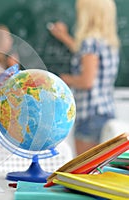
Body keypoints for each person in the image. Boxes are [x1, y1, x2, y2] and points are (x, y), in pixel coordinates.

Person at [49, 0, 120, 155]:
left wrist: (65, 79)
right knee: (99, 170)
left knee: (84, 172)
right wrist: (65, 37)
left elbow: (87, 81)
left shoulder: (89, 43)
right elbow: (87, 57)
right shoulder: (108, 42)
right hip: (105, 112)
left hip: (89, 115)